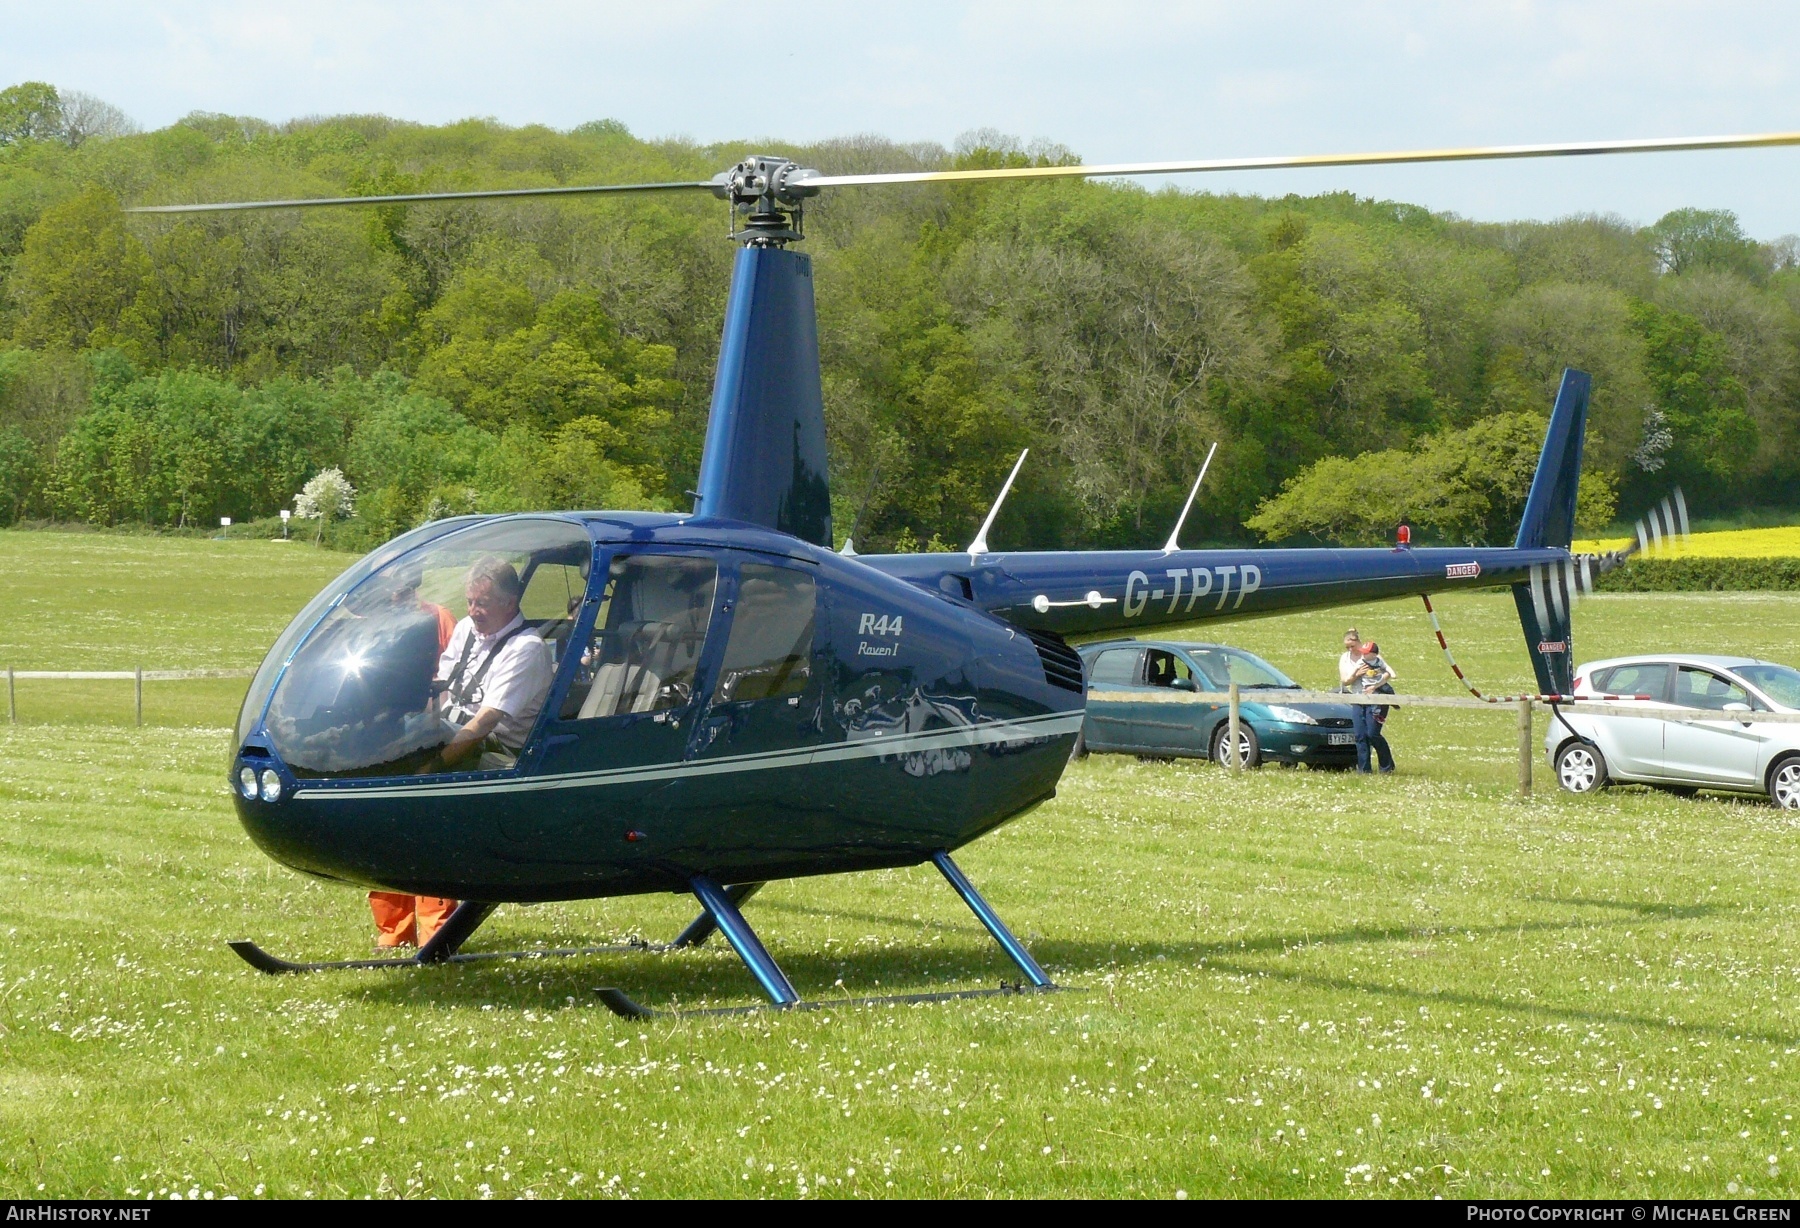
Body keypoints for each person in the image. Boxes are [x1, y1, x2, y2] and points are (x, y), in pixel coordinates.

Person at [368, 560, 461, 950]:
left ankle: (437, 931)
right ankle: (394, 930)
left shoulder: (438, 618)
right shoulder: (367, 622)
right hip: (375, 740)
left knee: (427, 832)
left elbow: (456, 676)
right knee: (382, 835)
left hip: (423, 736)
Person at [432, 555, 555, 771]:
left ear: (509, 603)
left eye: (482, 603)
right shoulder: (465, 628)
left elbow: (486, 721)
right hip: (454, 725)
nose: (472, 611)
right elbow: (442, 686)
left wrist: (433, 766)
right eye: (469, 601)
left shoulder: (526, 648)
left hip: (499, 746)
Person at [1350, 640, 1396, 774]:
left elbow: (1390, 673)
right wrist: (1356, 674)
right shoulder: (1357, 662)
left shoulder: (1378, 662)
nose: (1363, 655)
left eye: (1366, 653)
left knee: (1372, 734)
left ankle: (1387, 766)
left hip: (1377, 701)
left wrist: (1376, 685)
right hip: (1359, 699)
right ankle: (1364, 770)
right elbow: (1347, 679)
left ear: (1374, 654)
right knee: (1360, 735)